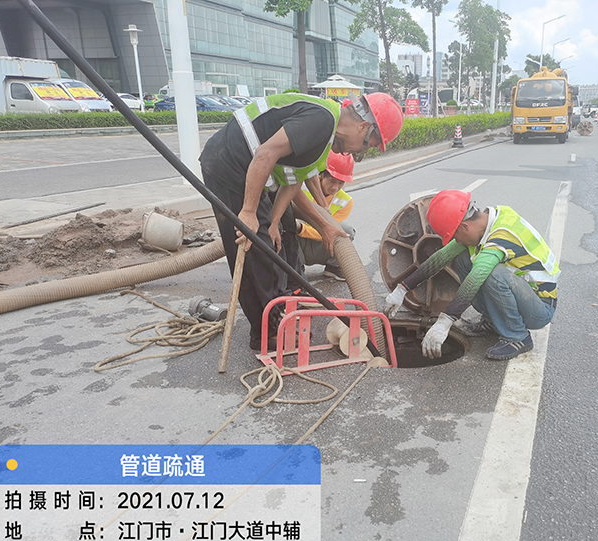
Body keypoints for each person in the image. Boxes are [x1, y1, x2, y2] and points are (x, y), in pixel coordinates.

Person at [199, 92, 403, 349]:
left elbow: (292, 182)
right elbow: (265, 153)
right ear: (363, 127)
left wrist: (290, 223)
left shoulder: (324, 136)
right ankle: (267, 333)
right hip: (230, 163)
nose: (356, 153)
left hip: (250, 168)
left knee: (277, 236)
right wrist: (249, 213)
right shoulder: (322, 120)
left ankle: (283, 303)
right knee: (255, 249)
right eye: (366, 146)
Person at [383, 190, 559, 361]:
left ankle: (517, 336)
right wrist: (403, 288)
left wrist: (446, 321)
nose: (456, 241)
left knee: (491, 274)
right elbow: (441, 258)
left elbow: (475, 279)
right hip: (522, 295)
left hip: (539, 308)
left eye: (455, 236)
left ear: (464, 226)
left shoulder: (502, 234)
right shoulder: (485, 224)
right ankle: (493, 320)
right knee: (462, 259)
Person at [297, 152, 356, 282]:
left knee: (346, 230)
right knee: (287, 225)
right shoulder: (301, 190)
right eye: (332, 181)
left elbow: (331, 230)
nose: (335, 187)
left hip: (323, 244)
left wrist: (301, 229)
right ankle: (296, 268)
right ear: (321, 175)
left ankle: (333, 267)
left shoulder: (345, 201)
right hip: (299, 246)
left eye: (341, 183)